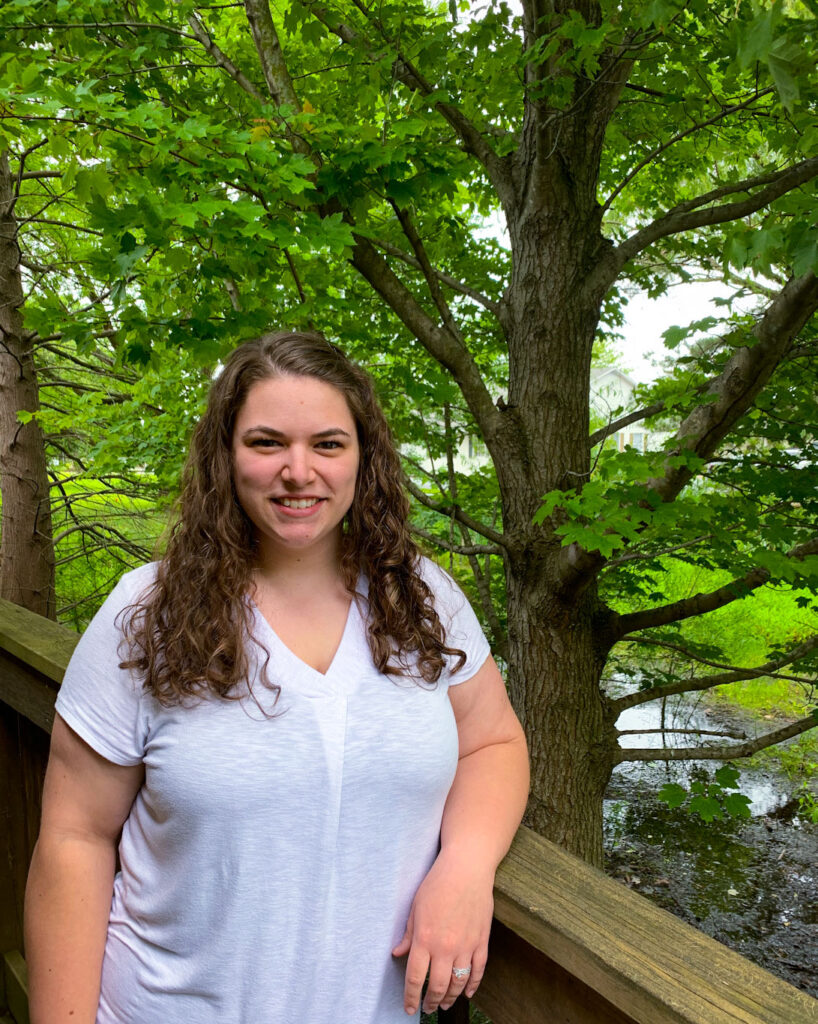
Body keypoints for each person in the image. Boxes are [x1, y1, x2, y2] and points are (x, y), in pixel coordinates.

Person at [25, 330, 530, 1024]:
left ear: (364, 458)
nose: (299, 471)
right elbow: (74, 839)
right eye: (267, 443)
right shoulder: (148, 613)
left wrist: (466, 867)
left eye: (327, 444)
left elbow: (493, 743)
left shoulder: (421, 599)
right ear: (226, 456)